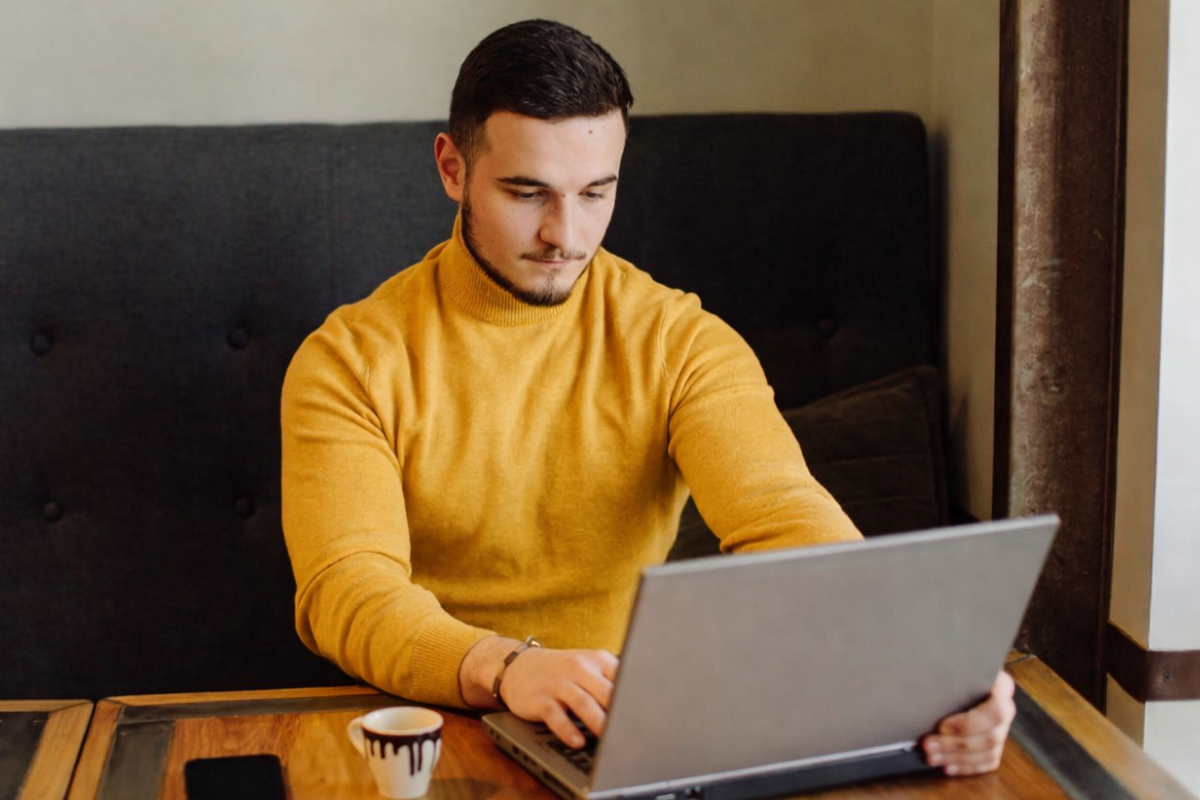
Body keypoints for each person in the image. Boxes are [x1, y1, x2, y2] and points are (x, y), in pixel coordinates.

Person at [281, 18, 1014, 777]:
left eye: (596, 192)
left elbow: (784, 515)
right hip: (415, 734)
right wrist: (507, 667)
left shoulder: (677, 339)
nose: (566, 234)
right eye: (528, 193)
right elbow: (349, 588)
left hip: (615, 729)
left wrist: (924, 670)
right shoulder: (350, 360)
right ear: (452, 168)